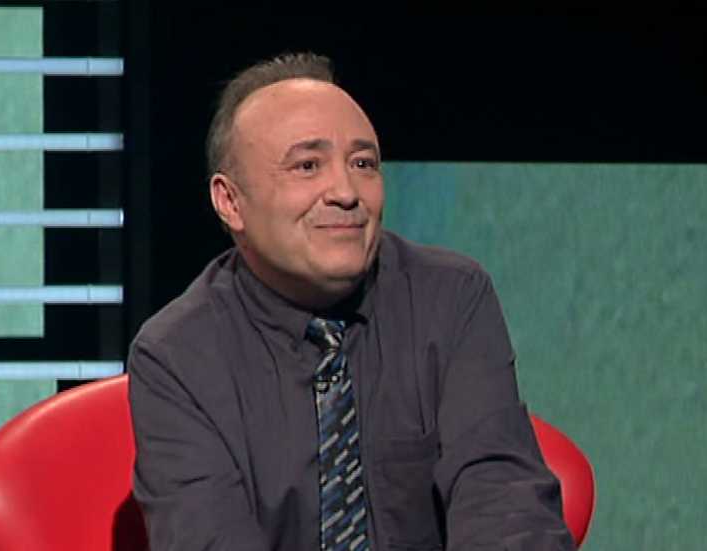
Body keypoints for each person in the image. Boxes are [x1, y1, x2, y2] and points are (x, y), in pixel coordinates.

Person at [128, 52, 575, 550]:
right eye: (307, 166)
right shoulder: (177, 354)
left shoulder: (450, 299)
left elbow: (504, 503)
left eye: (363, 164)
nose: (345, 191)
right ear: (230, 201)